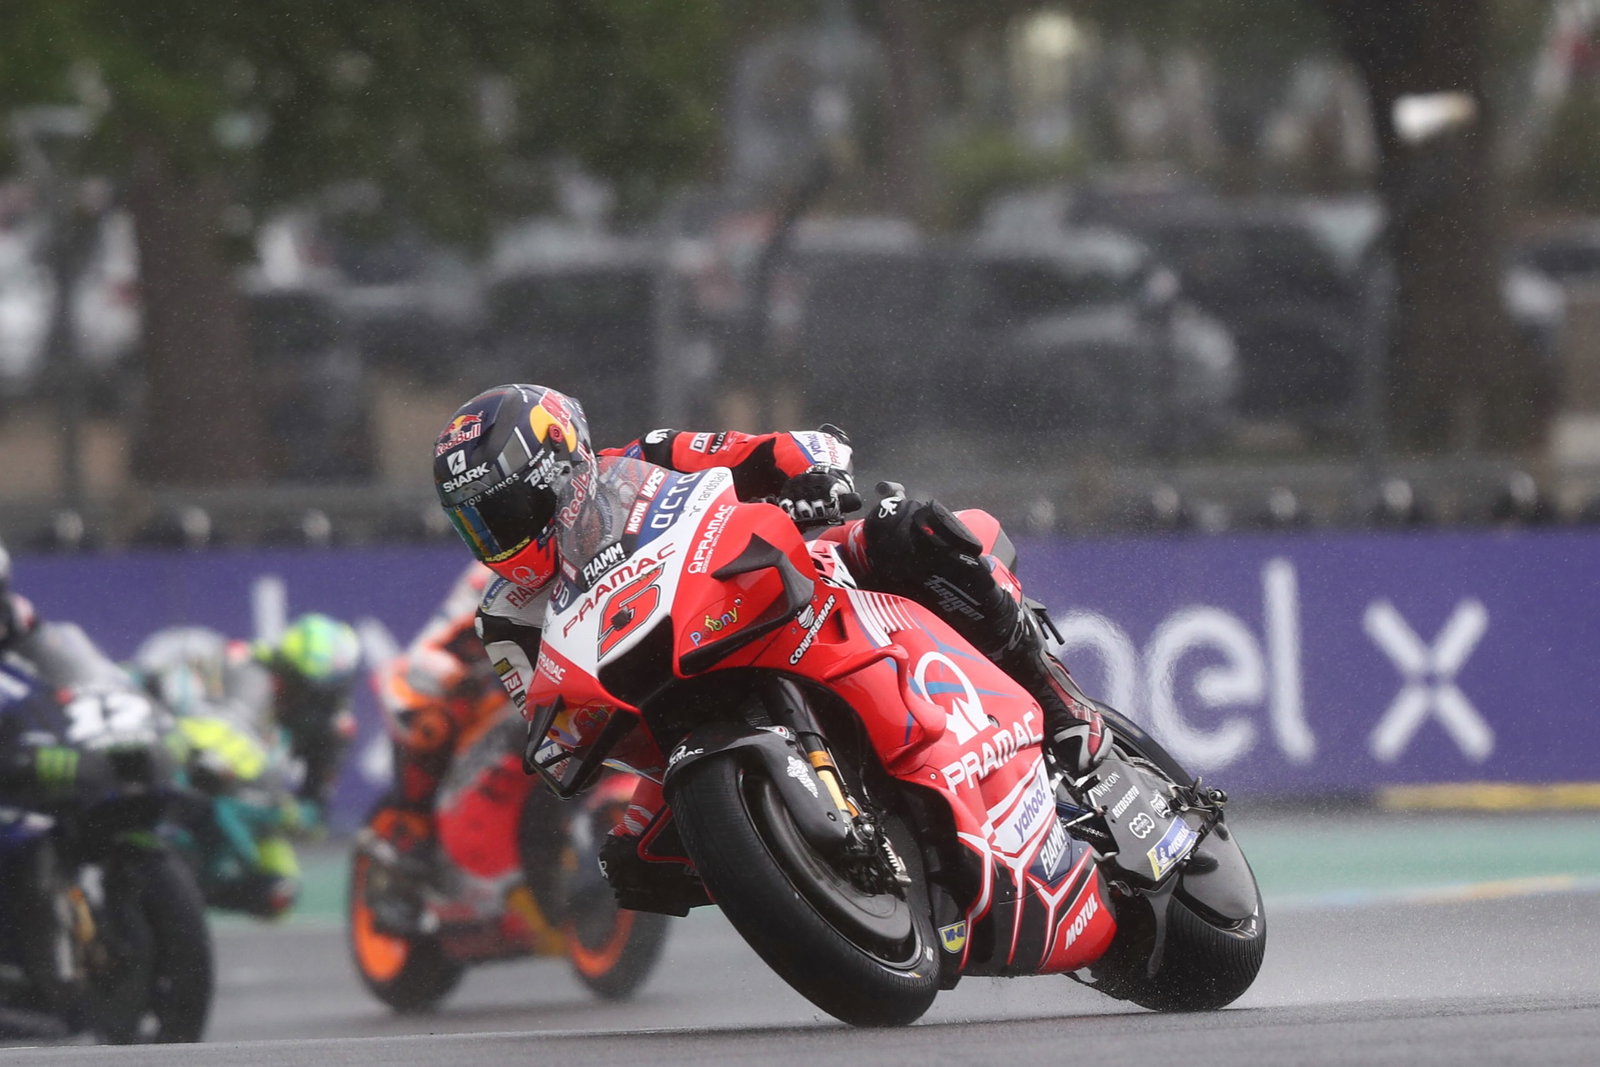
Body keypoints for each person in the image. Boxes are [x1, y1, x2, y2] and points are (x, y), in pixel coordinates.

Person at [431, 383, 1108, 910]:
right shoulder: (506, 616)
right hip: (675, 710)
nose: (498, 537)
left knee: (912, 529)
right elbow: (548, 717)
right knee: (633, 867)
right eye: (478, 524)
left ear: (555, 470)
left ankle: (1062, 703)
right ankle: (803, 874)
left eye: (505, 510)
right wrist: (561, 739)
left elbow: (778, 449)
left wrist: (814, 477)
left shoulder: (644, 458)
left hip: (769, 587)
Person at [133, 612, 362, 826]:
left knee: (273, 864)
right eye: (293, 681)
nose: (298, 696)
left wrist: (283, 813)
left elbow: (316, 812)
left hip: (250, 806)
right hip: (195, 767)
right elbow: (176, 691)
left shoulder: (336, 729)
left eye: (313, 693)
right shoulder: (244, 660)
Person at [373, 561, 505, 849]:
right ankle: (413, 820)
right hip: (463, 683)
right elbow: (429, 647)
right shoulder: (495, 572)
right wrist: (459, 676)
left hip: (525, 685)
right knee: (436, 725)